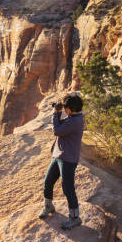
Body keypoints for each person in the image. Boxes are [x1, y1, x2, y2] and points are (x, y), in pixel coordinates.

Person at [38, 94, 84, 230]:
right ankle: (48, 206)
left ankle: (75, 218)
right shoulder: (72, 118)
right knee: (48, 181)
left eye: (65, 108)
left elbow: (56, 131)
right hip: (59, 156)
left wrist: (55, 113)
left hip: (68, 160)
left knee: (68, 188)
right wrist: (58, 113)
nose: (63, 110)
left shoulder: (75, 121)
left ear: (69, 109)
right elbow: (61, 126)